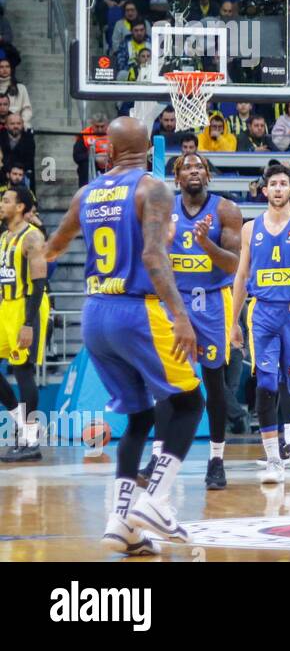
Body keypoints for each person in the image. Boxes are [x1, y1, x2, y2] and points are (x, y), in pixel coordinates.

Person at [45, 117, 202, 556]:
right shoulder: (151, 188)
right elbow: (154, 254)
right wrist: (180, 316)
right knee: (190, 402)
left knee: (139, 417)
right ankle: (154, 501)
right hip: (137, 310)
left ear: (108, 152)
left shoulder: (86, 194)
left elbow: (53, 249)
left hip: (94, 313)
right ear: (149, 149)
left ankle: (121, 523)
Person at [141, 155, 241, 489]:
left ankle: (216, 459)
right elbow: (151, 260)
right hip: (176, 303)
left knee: (215, 384)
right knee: (165, 384)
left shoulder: (225, 210)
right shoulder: (163, 211)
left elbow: (233, 266)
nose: (193, 171)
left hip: (213, 303)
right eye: (187, 167)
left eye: (199, 167)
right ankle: (158, 455)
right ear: (177, 177)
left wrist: (205, 244)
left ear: (208, 175)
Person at [228, 164, 290, 484]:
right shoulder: (249, 229)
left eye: (284, 183)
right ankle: (273, 459)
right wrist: (233, 322)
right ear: (265, 191)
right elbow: (241, 277)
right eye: (274, 184)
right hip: (264, 313)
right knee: (266, 384)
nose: (279, 188)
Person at [0, 188, 48, 464]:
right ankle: (22, 421)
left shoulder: (31, 237)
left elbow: (39, 283)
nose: (2, 204)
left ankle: (31, 441)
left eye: (6, 200)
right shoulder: (5, 236)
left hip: (25, 306)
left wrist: (28, 323)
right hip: (6, 305)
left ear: (20, 207)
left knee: (23, 371)